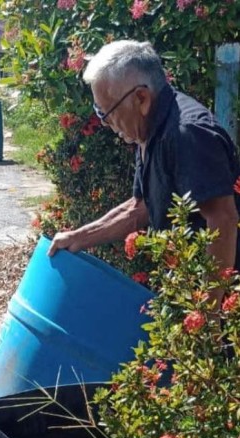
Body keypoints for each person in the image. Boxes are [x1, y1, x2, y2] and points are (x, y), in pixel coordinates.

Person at [48, 40, 240, 275]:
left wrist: (207, 310)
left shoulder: (187, 134)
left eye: (107, 113)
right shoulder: (148, 130)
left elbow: (223, 220)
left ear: (141, 98)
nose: (106, 124)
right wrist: (79, 237)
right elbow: (141, 208)